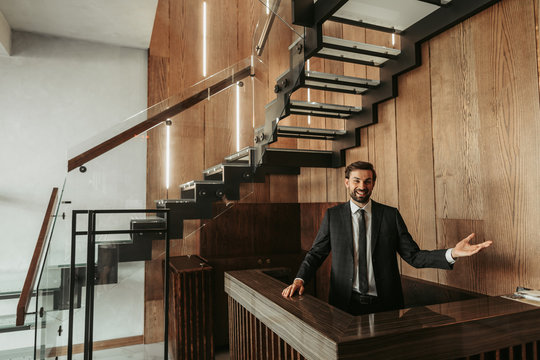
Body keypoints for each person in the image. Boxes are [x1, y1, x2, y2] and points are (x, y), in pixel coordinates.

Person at [282, 161, 492, 315]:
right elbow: (316, 253)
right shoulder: (333, 216)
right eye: (356, 181)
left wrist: (452, 253)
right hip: (343, 304)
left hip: (385, 305)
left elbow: (414, 256)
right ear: (347, 183)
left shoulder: (390, 215)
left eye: (367, 181)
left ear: (373, 184)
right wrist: (300, 279)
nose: (362, 186)